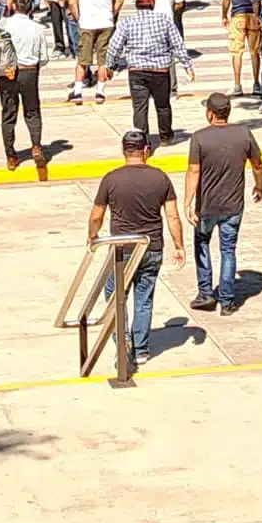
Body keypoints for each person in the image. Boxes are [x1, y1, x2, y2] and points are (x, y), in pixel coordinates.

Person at [89, 129, 185, 368]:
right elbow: (172, 216)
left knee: (114, 297)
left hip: (123, 248)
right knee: (144, 298)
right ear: (146, 151)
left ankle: (122, 341)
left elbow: (96, 215)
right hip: (151, 247)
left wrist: (92, 236)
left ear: (124, 151)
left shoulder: (111, 179)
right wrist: (179, 245)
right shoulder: (160, 178)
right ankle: (141, 349)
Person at [184, 92, 262, 314]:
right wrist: (259, 186)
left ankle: (206, 293)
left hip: (206, 206)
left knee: (202, 244)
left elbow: (193, 171)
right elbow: (257, 164)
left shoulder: (199, 138)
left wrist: (187, 202)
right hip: (233, 206)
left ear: (210, 113)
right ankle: (227, 301)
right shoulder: (244, 133)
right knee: (228, 250)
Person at [101, 0, 195, 144]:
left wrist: (110, 66)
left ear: (137, 4)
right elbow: (178, 44)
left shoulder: (127, 23)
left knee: (140, 107)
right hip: (160, 71)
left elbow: (114, 46)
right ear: (153, 3)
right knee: (163, 105)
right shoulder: (165, 20)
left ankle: (142, 140)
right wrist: (187, 66)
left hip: (137, 72)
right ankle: (165, 136)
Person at [0, 0, 49, 171]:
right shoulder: (37, 28)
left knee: (8, 114)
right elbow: (44, 58)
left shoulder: (4, 24)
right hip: (29, 72)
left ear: (14, 6)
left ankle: (11, 155)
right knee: (32, 111)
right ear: (30, 9)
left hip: (8, 72)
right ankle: (36, 145)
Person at [66, 0, 123, 105]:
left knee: (83, 59)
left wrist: (79, 17)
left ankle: (78, 92)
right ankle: (100, 92)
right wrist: (112, 13)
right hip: (106, 22)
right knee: (102, 60)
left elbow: (72, 2)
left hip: (86, 22)